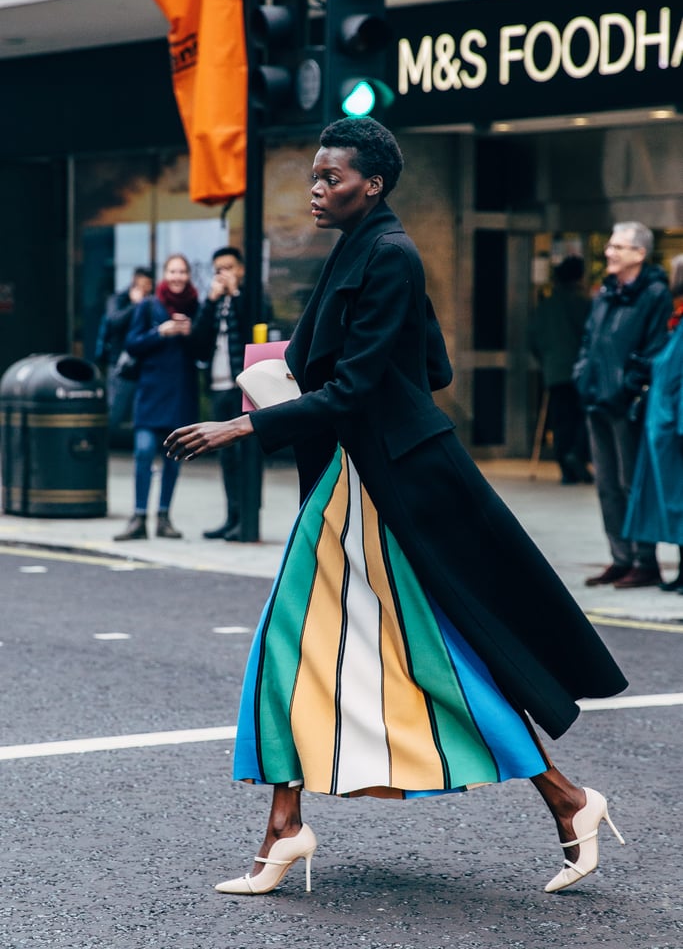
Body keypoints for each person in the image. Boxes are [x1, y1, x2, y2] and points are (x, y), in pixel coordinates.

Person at [165, 118, 627, 897]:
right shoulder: (367, 249)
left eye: (330, 177)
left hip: (378, 485)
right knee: (339, 650)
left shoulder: (389, 254)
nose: (316, 189)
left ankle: (567, 799)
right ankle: (289, 825)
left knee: (343, 648)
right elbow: (434, 367)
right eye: (313, 176)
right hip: (355, 479)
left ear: (371, 184)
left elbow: (354, 389)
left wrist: (243, 423)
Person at [573, 222, 672, 589]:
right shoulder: (605, 293)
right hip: (596, 398)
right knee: (607, 485)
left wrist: (627, 387)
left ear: (639, 254)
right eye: (610, 245)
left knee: (632, 484)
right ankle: (620, 557)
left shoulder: (655, 294)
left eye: (618, 247)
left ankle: (644, 561)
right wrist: (583, 375)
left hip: (626, 404)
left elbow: (655, 348)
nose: (609, 252)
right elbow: (589, 341)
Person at [114, 253, 200, 541]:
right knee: (142, 452)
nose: (177, 277)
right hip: (150, 392)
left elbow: (204, 350)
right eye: (172, 271)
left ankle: (163, 517)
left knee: (174, 457)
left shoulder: (196, 305)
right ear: (165, 274)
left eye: (182, 272)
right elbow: (132, 344)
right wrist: (159, 332)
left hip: (181, 393)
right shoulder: (150, 306)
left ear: (188, 275)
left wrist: (191, 333)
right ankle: (138, 517)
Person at [622, 254, 683, 592]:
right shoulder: (677, 320)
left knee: (679, 501)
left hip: (673, 428)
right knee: (673, 503)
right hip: (665, 427)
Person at [192, 247, 250, 541]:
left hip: (243, 386)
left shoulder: (250, 296)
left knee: (243, 455)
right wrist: (210, 300)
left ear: (239, 269)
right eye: (217, 270)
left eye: (228, 268)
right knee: (225, 456)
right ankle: (231, 517)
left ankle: (246, 518)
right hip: (217, 387)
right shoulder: (213, 302)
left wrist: (236, 294)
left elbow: (256, 326)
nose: (222, 274)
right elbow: (198, 341)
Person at [530, 256, 593, 484]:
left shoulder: (546, 306)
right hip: (579, 371)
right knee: (582, 418)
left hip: (554, 371)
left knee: (561, 422)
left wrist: (546, 360)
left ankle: (567, 470)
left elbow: (533, 339)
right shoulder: (582, 304)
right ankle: (577, 456)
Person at [95, 267, 154, 430]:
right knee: (115, 410)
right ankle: (103, 444)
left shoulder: (152, 302)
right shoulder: (118, 299)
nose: (145, 289)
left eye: (148, 285)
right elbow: (114, 321)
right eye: (141, 284)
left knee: (140, 414)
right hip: (121, 365)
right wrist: (136, 305)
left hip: (144, 366)